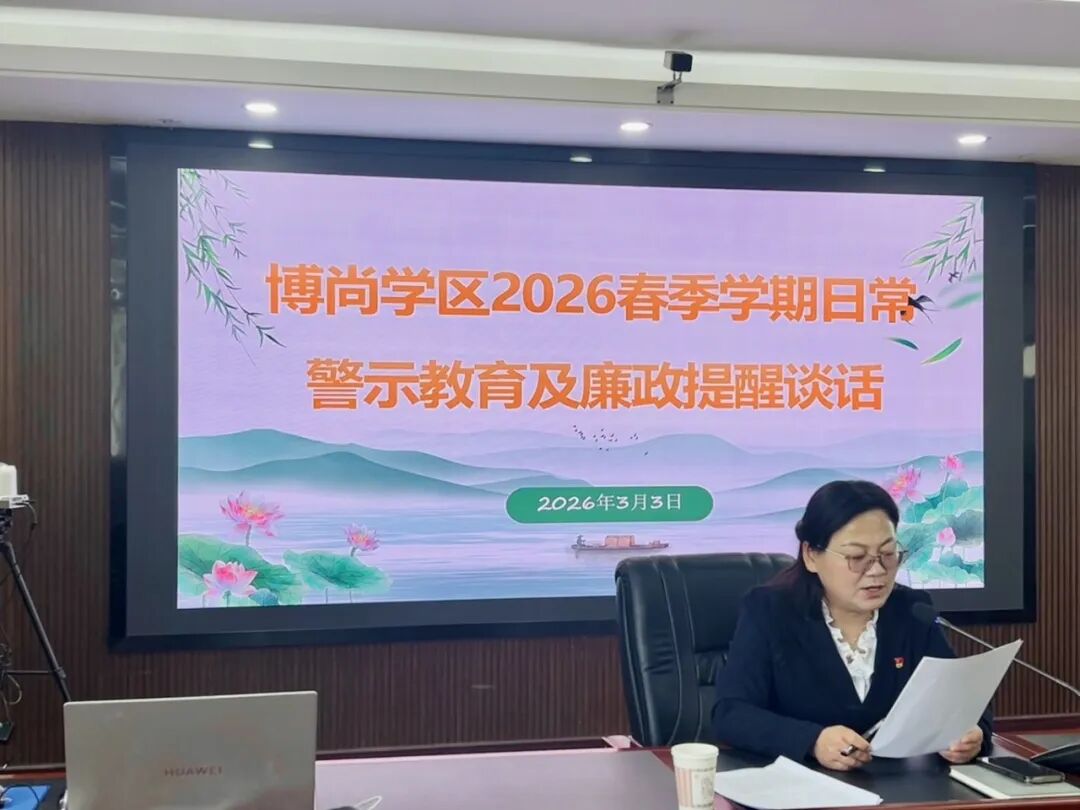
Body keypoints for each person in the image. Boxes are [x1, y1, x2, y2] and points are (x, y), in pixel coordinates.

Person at [711, 479, 991, 771]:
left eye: (888, 554)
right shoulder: (770, 612)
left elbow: (963, 699)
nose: (877, 571)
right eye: (857, 557)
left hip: (899, 786)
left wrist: (973, 734)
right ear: (811, 555)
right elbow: (731, 714)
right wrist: (813, 741)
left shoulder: (911, 611)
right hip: (800, 784)